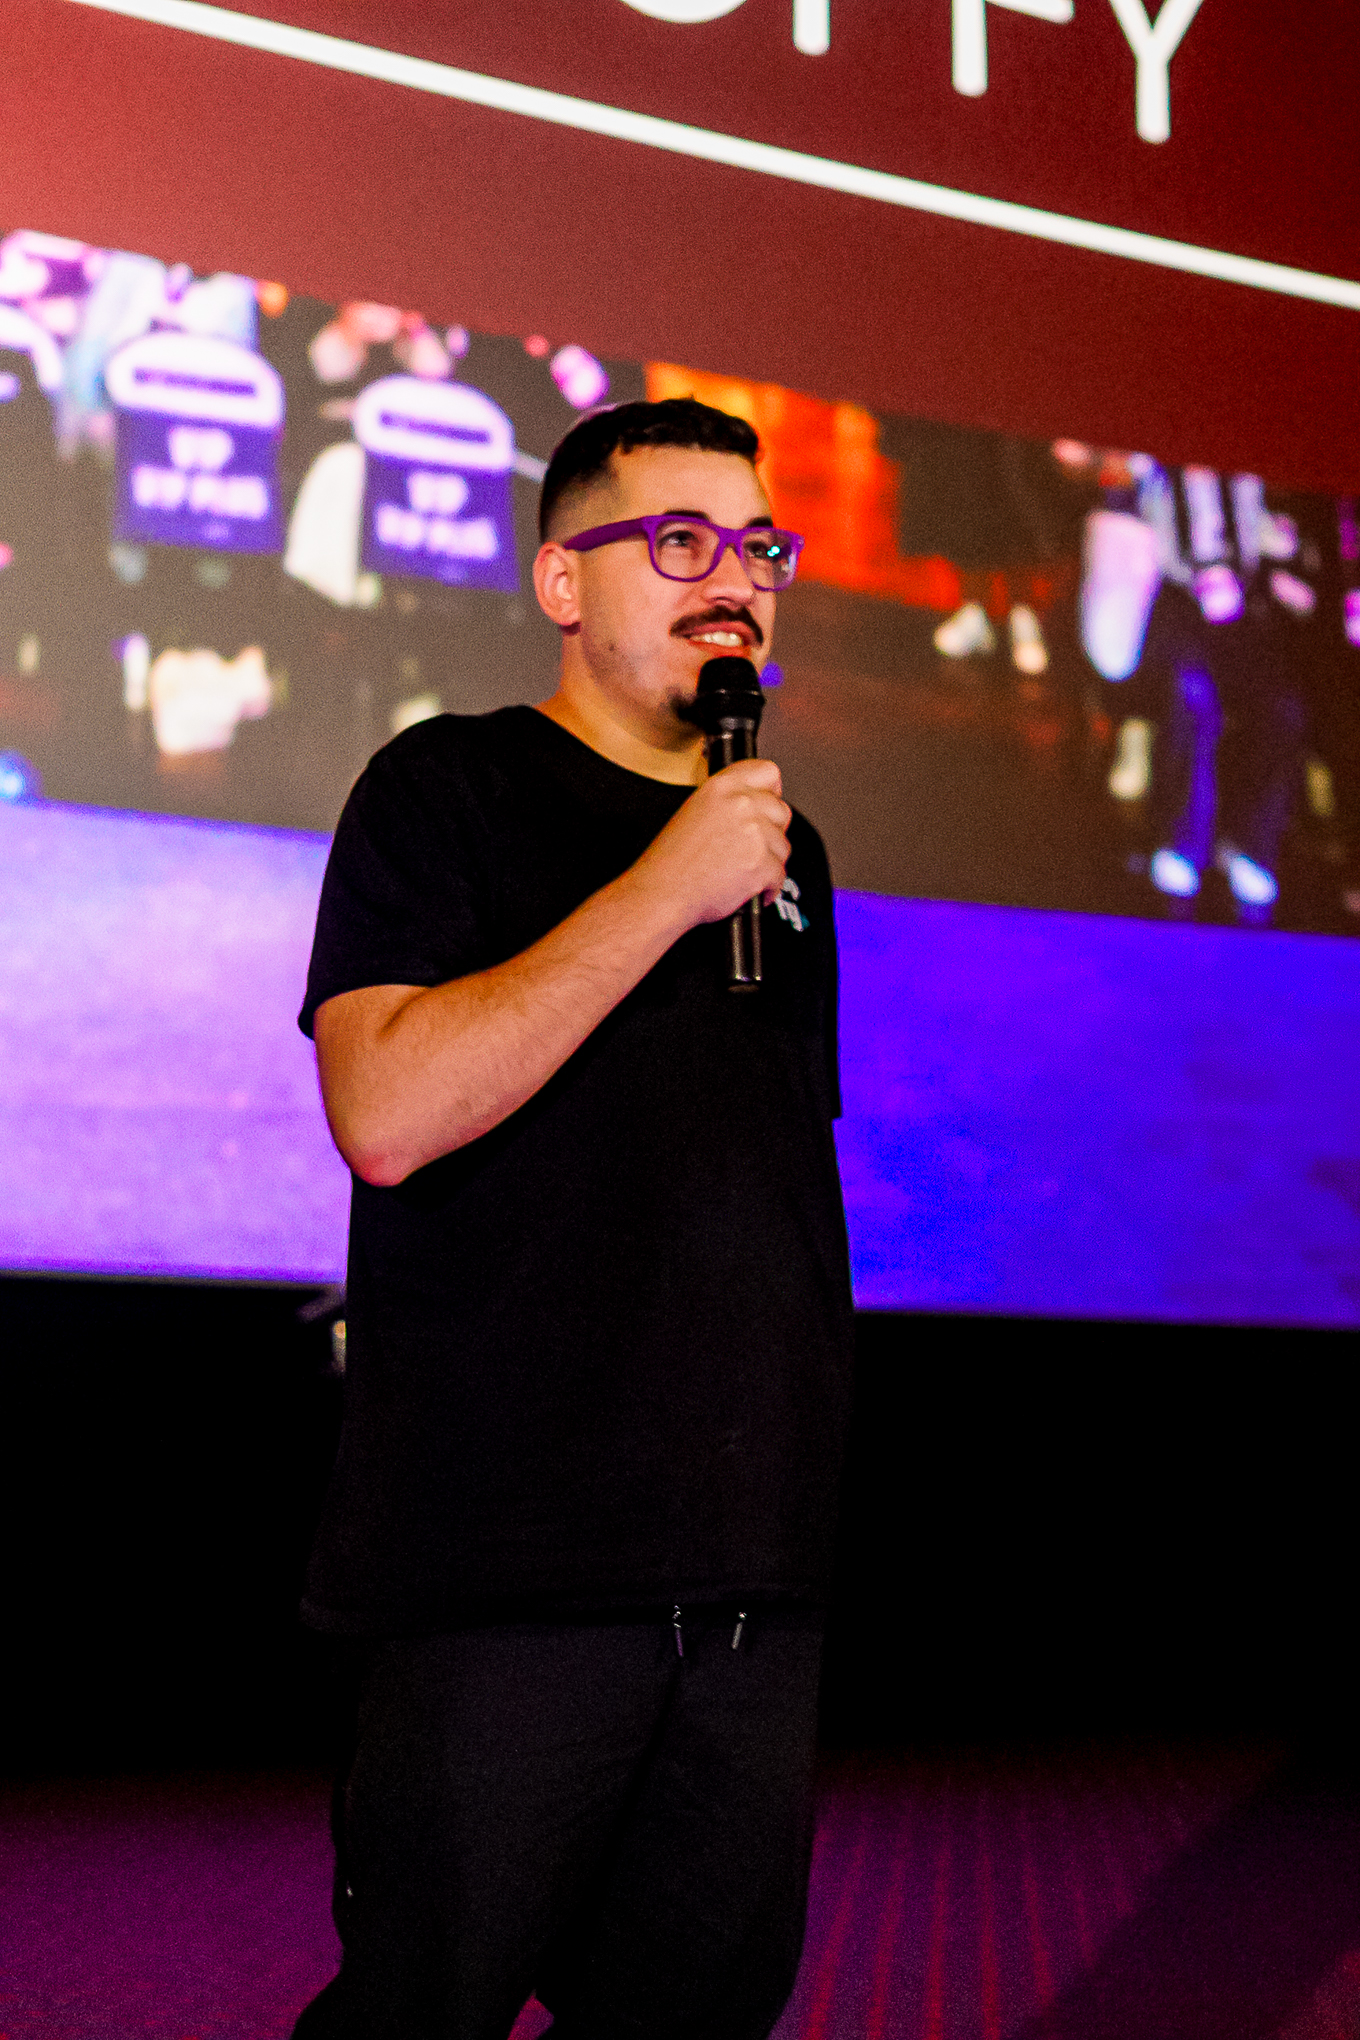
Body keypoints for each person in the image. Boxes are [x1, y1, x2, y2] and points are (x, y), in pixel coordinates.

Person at [292, 397, 855, 2040]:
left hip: (749, 1584)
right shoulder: (444, 788)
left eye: (758, 546)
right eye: (678, 541)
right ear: (561, 581)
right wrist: (665, 890)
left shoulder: (785, 847)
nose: (731, 578)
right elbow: (385, 1115)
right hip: (506, 1579)